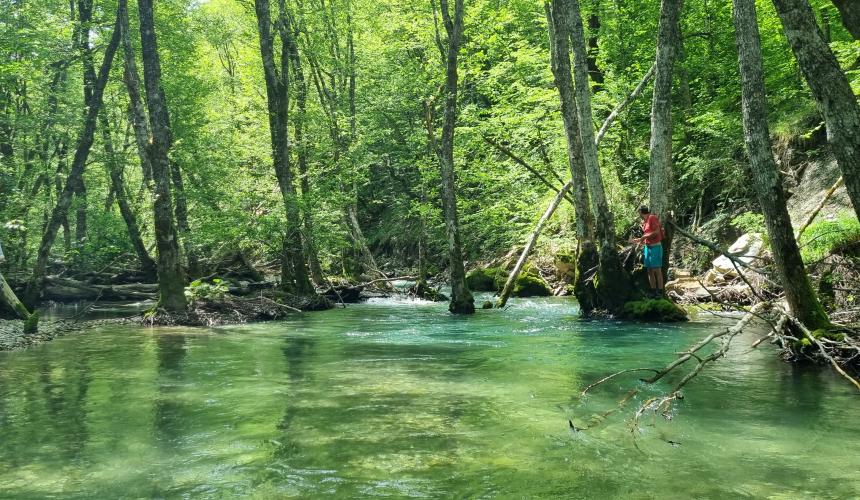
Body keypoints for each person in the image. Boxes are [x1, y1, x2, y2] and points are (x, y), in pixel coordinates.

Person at [630, 205, 664, 298]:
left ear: (641, 212)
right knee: (649, 270)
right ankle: (653, 291)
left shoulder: (652, 218)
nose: (638, 214)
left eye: (639, 212)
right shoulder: (644, 222)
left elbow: (656, 232)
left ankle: (660, 292)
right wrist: (636, 240)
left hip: (656, 247)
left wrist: (644, 237)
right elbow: (645, 237)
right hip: (647, 248)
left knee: (657, 270)